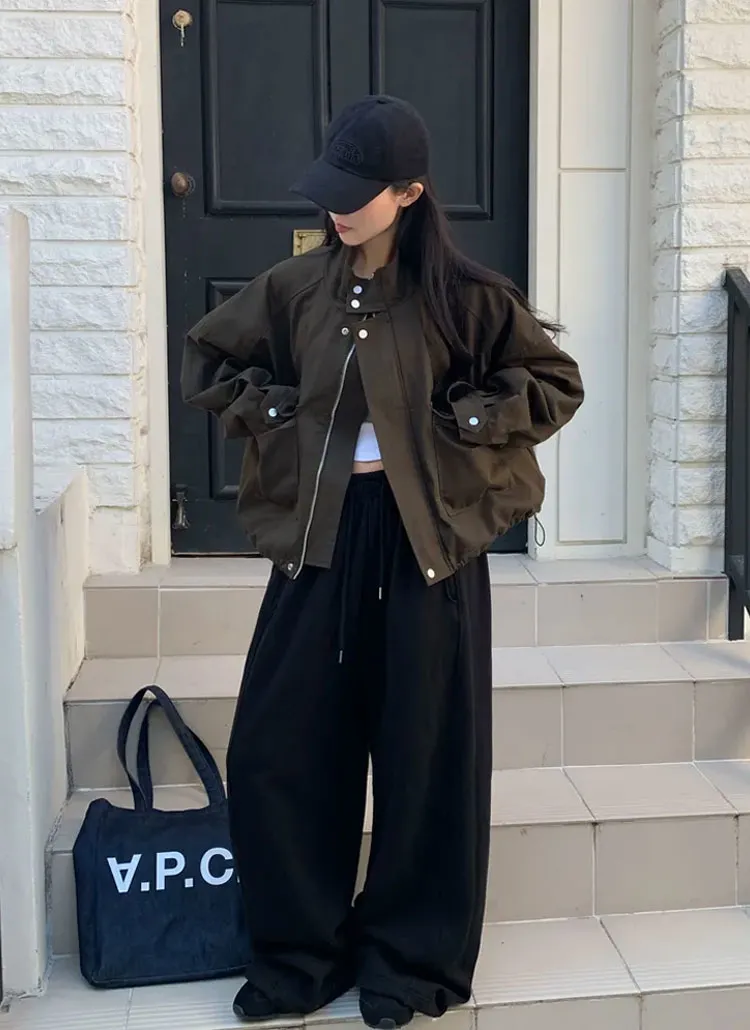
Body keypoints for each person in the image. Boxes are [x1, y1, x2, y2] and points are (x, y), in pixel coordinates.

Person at [182, 95, 583, 1029]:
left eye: (357, 193)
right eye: (330, 190)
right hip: (320, 541)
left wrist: (466, 422)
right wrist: (275, 413)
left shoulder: (467, 295)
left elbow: (553, 382)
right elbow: (210, 360)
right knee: (282, 749)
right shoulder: (295, 289)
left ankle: (408, 961)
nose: (337, 209)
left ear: (409, 192)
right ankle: (299, 956)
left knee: (425, 755)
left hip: (427, 550)